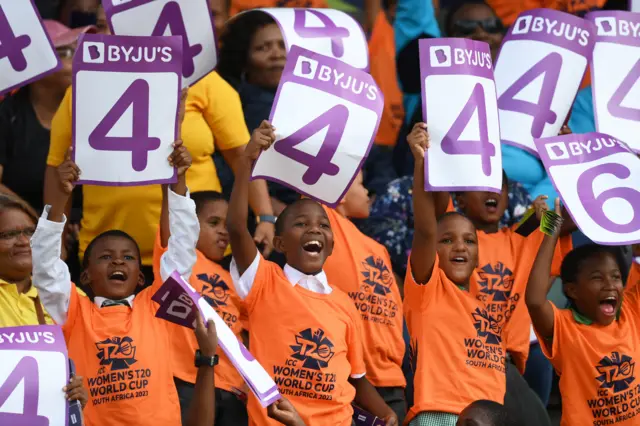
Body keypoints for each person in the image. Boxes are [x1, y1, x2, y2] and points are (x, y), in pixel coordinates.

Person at [45, 24, 276, 286]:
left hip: (197, 249)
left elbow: (240, 154)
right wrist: (57, 239)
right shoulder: (82, 87)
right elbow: (58, 168)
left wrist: (265, 216)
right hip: (109, 255)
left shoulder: (203, 80)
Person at [227, 120, 398, 425]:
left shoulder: (345, 304)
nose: (314, 229)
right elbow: (237, 227)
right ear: (279, 243)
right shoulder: (263, 281)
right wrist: (245, 162)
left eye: (322, 225)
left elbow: (357, 378)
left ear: (330, 245)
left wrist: (385, 413)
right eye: (301, 224)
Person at [31, 134, 199, 425]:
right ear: (85, 275)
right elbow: (45, 267)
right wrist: (60, 197)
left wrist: (177, 183)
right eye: (106, 257)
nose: (118, 261)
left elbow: (182, 248)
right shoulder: (73, 312)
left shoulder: (157, 306)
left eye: (128, 258)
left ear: (140, 278)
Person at [403, 122, 505, 425]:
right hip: (440, 415)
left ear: (478, 255)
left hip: (488, 418)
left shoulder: (485, 307)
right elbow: (425, 227)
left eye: (469, 241)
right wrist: (421, 162)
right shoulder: (427, 289)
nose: (459, 246)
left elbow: (547, 234)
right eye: (446, 240)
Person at [453, 165, 574, 403]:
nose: (493, 192)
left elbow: (562, 222)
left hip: (522, 358)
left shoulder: (520, 237)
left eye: (499, 186)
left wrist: (570, 159)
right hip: (470, 357)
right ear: (460, 200)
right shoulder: (454, 243)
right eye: (482, 186)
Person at [526, 200, 640, 426]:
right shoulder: (565, 329)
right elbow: (535, 300)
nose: (610, 284)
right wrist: (552, 229)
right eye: (597, 278)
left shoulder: (631, 311)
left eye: (616, 277)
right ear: (572, 290)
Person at [153, 189, 248, 425]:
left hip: (232, 389)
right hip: (186, 382)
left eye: (227, 225)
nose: (223, 231)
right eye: (213, 222)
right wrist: (175, 177)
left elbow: (243, 335)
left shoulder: (235, 279)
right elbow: (174, 219)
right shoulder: (175, 262)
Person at [323, 172, 407, 423]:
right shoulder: (327, 224)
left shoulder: (378, 248)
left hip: (392, 380)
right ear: (338, 195)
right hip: (351, 378)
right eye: (360, 184)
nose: (369, 193)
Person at [0, 20, 95, 212]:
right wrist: (33, 219)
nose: (78, 61)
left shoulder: (95, 112)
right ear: (35, 65)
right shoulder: (7, 115)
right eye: (65, 53)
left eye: (79, 51)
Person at [217, 11, 299, 211]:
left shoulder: (321, 101)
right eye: (263, 48)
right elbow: (229, 169)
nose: (277, 54)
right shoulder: (231, 105)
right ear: (243, 59)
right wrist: (268, 207)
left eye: (282, 45)